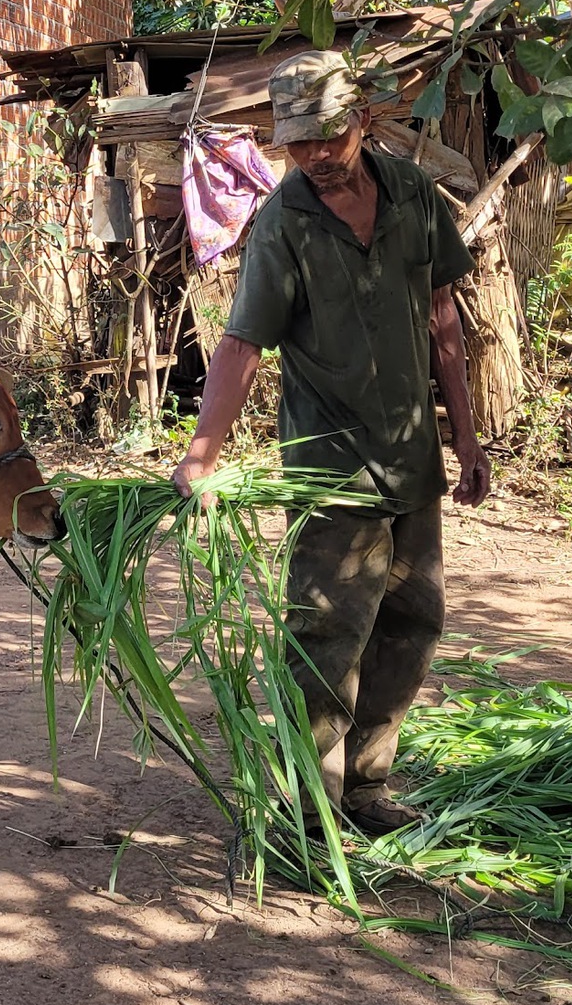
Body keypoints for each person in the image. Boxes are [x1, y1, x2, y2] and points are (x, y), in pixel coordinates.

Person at [171, 49, 490, 836]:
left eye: (325, 135)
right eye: (295, 141)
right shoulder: (284, 224)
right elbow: (243, 346)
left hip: (412, 457)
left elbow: (443, 316)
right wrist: (200, 456)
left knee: (411, 624)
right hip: (331, 470)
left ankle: (366, 788)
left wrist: (467, 436)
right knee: (324, 637)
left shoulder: (414, 194)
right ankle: (308, 807)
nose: (312, 154)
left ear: (361, 120)